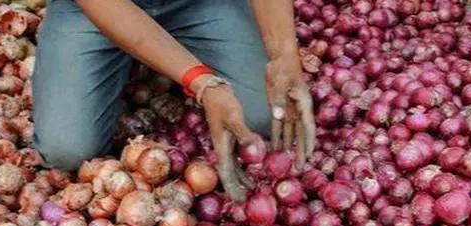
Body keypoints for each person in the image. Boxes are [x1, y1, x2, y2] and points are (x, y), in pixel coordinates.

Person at [32, 0, 316, 201]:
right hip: (94, 9)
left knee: (265, 114)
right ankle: (144, 56)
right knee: (67, 148)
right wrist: (201, 81)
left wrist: (284, 56)